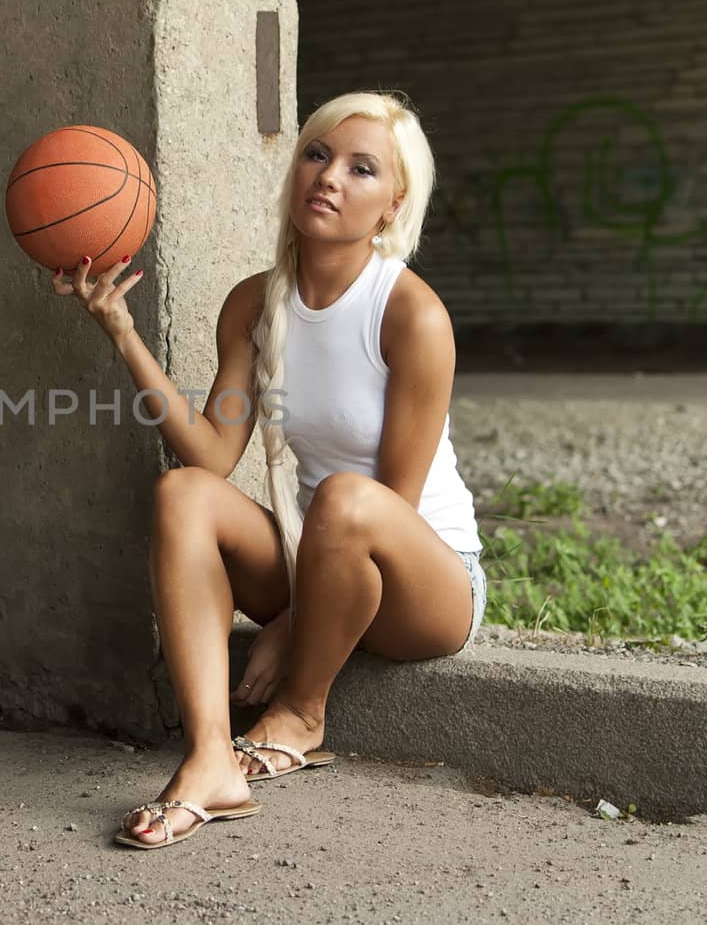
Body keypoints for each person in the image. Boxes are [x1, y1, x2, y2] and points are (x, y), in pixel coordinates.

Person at [50, 91, 484, 850]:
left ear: (392, 204)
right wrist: (120, 332)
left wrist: (289, 623)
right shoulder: (255, 301)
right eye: (317, 156)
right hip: (313, 558)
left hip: (424, 580)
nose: (329, 178)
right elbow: (214, 454)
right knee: (183, 493)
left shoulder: (411, 314)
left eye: (361, 169)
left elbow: (395, 507)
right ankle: (211, 753)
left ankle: (301, 715)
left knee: (349, 500)